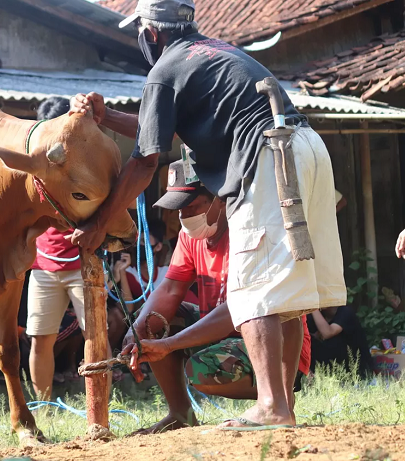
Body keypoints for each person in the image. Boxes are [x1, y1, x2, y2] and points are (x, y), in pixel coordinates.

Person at [69, 0, 345, 428]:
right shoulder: (215, 52)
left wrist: (98, 223)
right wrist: (108, 117)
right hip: (305, 145)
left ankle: (271, 407)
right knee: (286, 297)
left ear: (151, 33)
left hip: (266, 155)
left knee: (254, 288)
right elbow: (166, 126)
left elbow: (146, 159)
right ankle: (281, 406)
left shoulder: (165, 70)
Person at [118, 161, 311, 433]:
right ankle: (180, 414)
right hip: (222, 334)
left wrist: (171, 344)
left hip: (269, 342)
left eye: (192, 206)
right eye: (180, 208)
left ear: (220, 200)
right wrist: (137, 329)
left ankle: (277, 401)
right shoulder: (190, 237)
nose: (184, 216)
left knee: (202, 370)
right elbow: (170, 289)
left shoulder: (247, 228)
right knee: (151, 321)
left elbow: (239, 308)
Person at [27, 96, 92, 399]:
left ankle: (97, 401)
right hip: (43, 266)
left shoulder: (87, 160)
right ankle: (42, 406)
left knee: (94, 336)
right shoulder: (30, 166)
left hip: (83, 264)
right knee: (40, 339)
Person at [308, 306, 373, 378]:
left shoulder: (345, 312)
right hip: (326, 369)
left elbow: (327, 333)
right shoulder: (314, 315)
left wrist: (313, 307)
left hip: (354, 369)